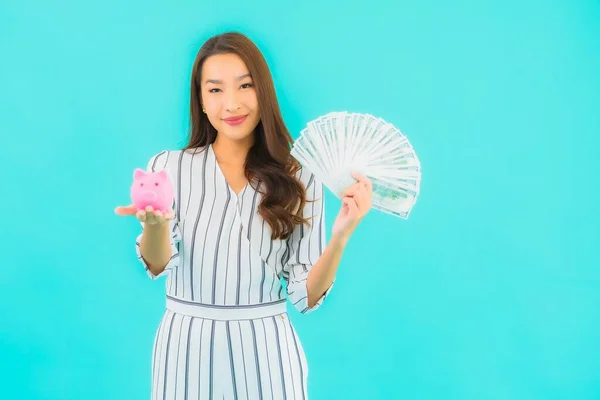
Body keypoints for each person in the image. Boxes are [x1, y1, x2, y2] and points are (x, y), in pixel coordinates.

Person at [115, 31, 373, 399]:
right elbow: (157, 265)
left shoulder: (300, 176)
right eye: (215, 90)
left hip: (266, 349)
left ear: (262, 92)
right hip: (186, 347)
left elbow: (305, 296)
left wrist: (341, 236)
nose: (231, 104)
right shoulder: (168, 168)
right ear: (201, 101)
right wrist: (155, 227)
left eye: (244, 86)